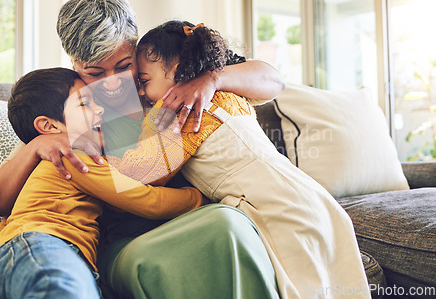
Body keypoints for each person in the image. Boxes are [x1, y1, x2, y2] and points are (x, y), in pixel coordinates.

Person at [0, 0, 284, 298]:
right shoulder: (75, 116)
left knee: (232, 225)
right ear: (75, 65)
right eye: (95, 72)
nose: (113, 83)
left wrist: (212, 79)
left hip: (190, 219)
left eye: (123, 65)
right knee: (225, 224)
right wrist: (35, 147)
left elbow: (274, 81)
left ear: (137, 49)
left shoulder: (164, 85)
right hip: (126, 243)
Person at [116, 20, 369, 298]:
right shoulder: (229, 94)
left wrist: (91, 162)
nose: (140, 92)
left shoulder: (178, 110)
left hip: (269, 206)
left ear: (176, 72)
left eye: (143, 81)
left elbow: (144, 170)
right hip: (311, 196)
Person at [0, 68, 206, 298]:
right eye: (84, 103)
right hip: (41, 248)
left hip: (25, 260)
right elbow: (148, 200)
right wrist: (199, 198)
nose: (100, 109)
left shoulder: (47, 158)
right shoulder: (71, 157)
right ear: (48, 127)